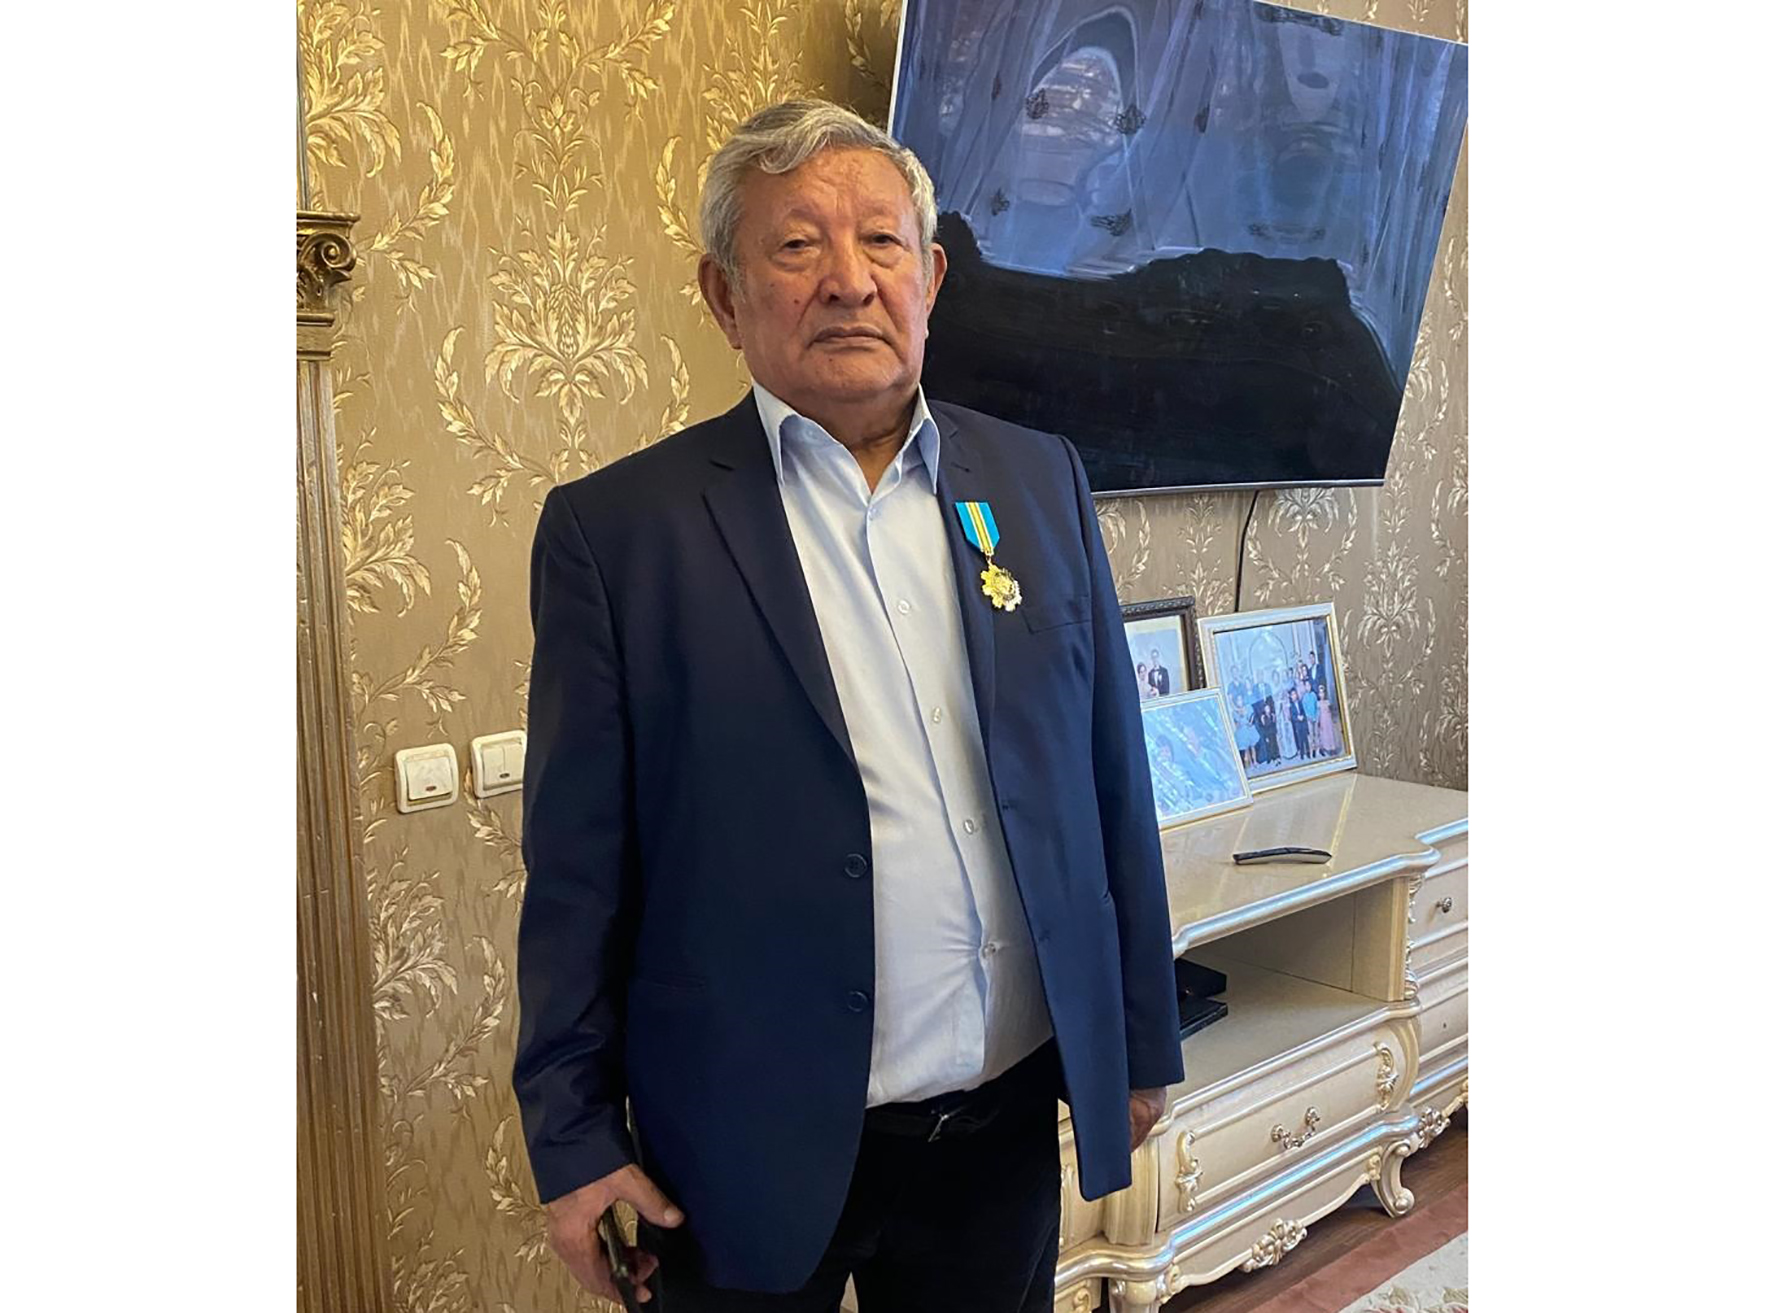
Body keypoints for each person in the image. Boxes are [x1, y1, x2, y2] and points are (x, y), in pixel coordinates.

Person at [515, 99, 1183, 1313]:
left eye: (881, 241)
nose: (848, 279)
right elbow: (574, 871)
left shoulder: (1037, 478)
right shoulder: (618, 536)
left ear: (929, 278)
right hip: (737, 1144)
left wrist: (1136, 1037)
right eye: (795, 245)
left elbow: (1106, 781)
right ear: (723, 296)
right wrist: (570, 1136)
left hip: (995, 1134)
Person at [1316, 681, 1341, 756]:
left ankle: (1333, 748)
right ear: (1318, 694)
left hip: (1328, 720)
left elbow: (1330, 711)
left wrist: (1332, 717)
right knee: (1325, 734)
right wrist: (1319, 722)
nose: (1322, 694)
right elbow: (1318, 713)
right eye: (1320, 693)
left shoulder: (1327, 702)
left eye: (1323, 693)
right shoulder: (1318, 703)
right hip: (1323, 720)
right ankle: (1327, 748)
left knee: (1330, 733)